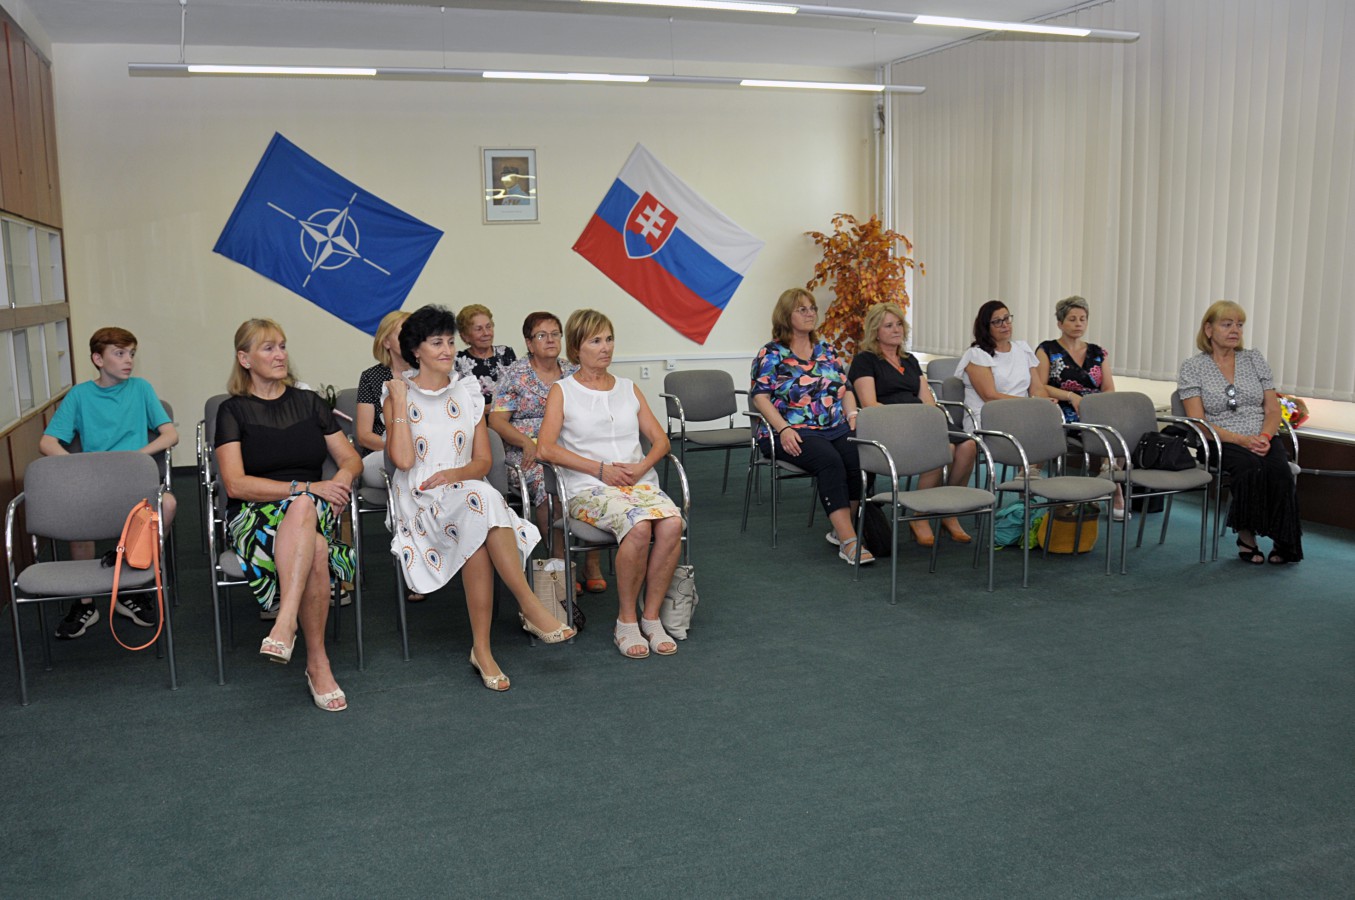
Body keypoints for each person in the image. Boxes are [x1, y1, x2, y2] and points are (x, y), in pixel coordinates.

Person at [384, 305, 574, 692]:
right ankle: (528, 605)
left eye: (449, 341)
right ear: (416, 350)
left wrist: (455, 475)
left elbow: (483, 462)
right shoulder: (398, 395)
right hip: (421, 498)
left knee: (478, 511)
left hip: (465, 488)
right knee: (482, 506)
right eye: (436, 343)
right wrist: (401, 401)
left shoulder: (468, 390)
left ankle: (483, 650)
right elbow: (402, 461)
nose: (447, 349)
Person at [215, 319, 360, 712]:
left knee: (305, 510)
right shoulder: (232, 411)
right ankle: (317, 663)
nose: (280, 355)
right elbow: (235, 484)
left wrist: (341, 480)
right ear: (244, 359)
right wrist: (306, 488)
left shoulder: (310, 403)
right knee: (315, 545)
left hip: (312, 507)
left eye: (281, 346)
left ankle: (285, 622)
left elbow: (350, 459)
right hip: (254, 515)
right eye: (268, 348)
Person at [537, 309, 684, 660]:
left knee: (673, 524)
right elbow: (545, 448)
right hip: (588, 488)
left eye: (609, 339)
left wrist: (642, 466)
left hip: (638, 484)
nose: (606, 347)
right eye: (595, 341)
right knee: (639, 526)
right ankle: (626, 621)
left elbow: (661, 441)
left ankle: (651, 617)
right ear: (576, 348)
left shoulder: (628, 388)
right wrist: (600, 470)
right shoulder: (563, 391)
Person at [40, 326, 179, 639]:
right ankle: (86, 603)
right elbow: (47, 442)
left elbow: (170, 434)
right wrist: (81, 466)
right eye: (119, 353)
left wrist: (136, 457)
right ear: (98, 359)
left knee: (168, 504)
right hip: (96, 481)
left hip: (133, 478)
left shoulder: (141, 389)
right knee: (76, 510)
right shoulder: (79, 395)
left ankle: (131, 586)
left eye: (131, 353)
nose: (128, 360)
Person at [487, 311, 606, 593]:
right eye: (542, 335)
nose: (550, 340)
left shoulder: (573, 371)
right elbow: (497, 422)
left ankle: (592, 561)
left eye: (555, 334)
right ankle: (560, 562)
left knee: (597, 477)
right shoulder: (514, 375)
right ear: (529, 343)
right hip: (527, 452)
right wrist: (527, 443)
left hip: (571, 446)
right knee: (547, 484)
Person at [749, 287, 870, 566]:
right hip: (788, 430)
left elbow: (845, 388)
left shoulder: (826, 350)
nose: (810, 313)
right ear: (786, 315)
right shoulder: (771, 353)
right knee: (830, 461)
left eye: (812, 308)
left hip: (833, 426)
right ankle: (849, 541)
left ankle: (841, 529)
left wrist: (852, 414)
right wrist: (783, 429)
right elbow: (760, 397)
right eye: (802, 309)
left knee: (859, 458)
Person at [1178, 301, 1302, 565]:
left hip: (1261, 436)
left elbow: (1273, 410)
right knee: (1249, 468)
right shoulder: (1193, 367)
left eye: (1239, 325)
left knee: (1280, 471)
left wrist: (1265, 437)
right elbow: (1199, 422)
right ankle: (1247, 538)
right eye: (1227, 324)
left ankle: (1284, 539)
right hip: (1219, 439)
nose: (1235, 330)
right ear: (1209, 329)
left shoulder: (1254, 359)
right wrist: (1241, 440)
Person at [848, 302, 976, 545]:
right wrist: (910, 419)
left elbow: (927, 400)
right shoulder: (865, 360)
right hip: (892, 423)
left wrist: (929, 418)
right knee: (945, 449)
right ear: (875, 331)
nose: (896, 329)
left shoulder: (910, 360)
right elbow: (869, 404)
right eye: (889, 325)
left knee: (969, 446)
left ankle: (948, 512)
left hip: (922, 420)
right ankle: (920, 516)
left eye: (899, 324)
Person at [354, 310, 423, 602]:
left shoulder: (427, 372)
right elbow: (363, 434)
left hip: (422, 453)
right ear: (386, 342)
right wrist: (396, 446)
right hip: (379, 453)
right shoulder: (372, 377)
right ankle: (414, 564)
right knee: (403, 469)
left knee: (414, 473)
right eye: (402, 332)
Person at [1035, 295, 1125, 518]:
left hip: (1094, 407)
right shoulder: (1047, 350)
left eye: (1082, 319)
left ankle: (1109, 476)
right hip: (1062, 407)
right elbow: (1040, 386)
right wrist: (1071, 396)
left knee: (1120, 429)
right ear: (1060, 323)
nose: (1078, 324)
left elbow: (1108, 388)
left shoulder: (1097, 352)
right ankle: (1115, 491)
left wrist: (1096, 405)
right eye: (1072, 319)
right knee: (1093, 427)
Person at [957, 300, 1050, 430]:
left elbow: (1037, 388)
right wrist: (1030, 404)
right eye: (997, 322)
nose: (1005, 325)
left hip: (1023, 412)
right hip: (988, 417)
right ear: (985, 327)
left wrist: (1043, 403)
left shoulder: (1022, 349)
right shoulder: (977, 355)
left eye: (1007, 319)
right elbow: (990, 396)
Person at [454, 304, 516, 406]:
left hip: (507, 414)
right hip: (472, 416)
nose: (486, 333)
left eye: (488, 327)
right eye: (478, 329)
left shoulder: (506, 354)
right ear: (465, 336)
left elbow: (518, 393)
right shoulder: (457, 361)